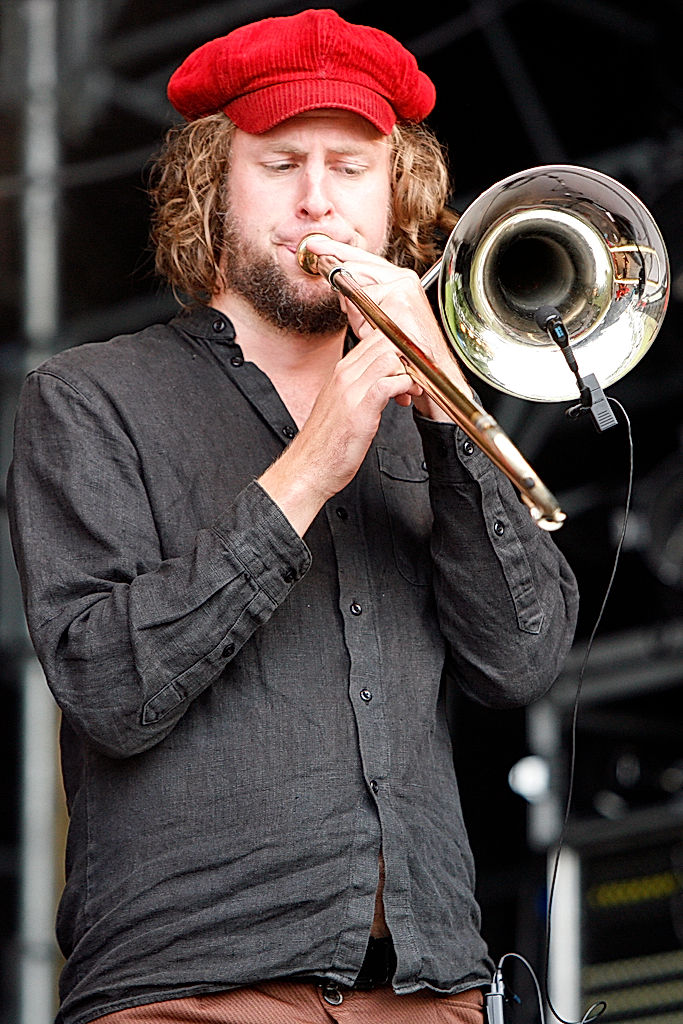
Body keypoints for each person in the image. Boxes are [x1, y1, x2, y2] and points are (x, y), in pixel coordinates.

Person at [7, 9, 579, 1024]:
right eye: (280, 164)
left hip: (428, 988)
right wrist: (312, 464)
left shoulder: (429, 416)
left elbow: (521, 660)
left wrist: (452, 427)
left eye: (351, 169)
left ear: (392, 192)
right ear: (211, 188)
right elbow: (106, 683)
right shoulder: (89, 396)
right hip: (187, 989)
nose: (319, 200)